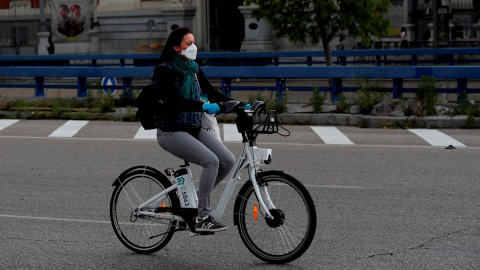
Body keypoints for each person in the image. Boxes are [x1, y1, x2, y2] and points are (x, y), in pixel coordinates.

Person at [153, 27, 235, 232]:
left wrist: (238, 104)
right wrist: (202, 105)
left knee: (227, 160)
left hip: (192, 127)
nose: (193, 47)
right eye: (188, 43)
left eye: (194, 42)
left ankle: (195, 200)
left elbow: (210, 91)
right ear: (176, 47)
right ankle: (202, 216)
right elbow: (174, 100)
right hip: (171, 131)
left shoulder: (193, 68)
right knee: (211, 161)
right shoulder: (165, 69)